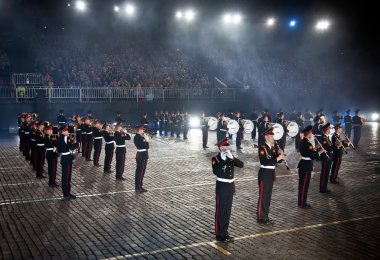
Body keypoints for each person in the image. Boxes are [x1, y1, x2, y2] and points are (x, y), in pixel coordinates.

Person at [212, 138, 244, 242]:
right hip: (221, 187)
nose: (227, 149)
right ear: (221, 148)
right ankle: (218, 233)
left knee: (227, 211)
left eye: (227, 147)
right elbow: (216, 171)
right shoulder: (216, 158)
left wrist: (232, 158)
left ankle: (225, 232)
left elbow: (241, 165)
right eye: (225, 147)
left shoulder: (230, 157)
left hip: (230, 187)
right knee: (220, 211)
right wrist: (223, 159)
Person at [257, 128, 285, 225]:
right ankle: (261, 217)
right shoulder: (262, 148)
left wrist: (281, 155)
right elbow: (264, 161)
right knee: (263, 196)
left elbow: (277, 160)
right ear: (266, 137)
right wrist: (278, 158)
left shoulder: (272, 147)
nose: (273, 138)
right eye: (271, 136)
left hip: (270, 173)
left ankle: (265, 216)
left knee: (268, 196)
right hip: (264, 173)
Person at [297, 125, 323, 208]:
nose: (312, 133)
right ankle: (302, 203)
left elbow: (308, 151)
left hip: (303, 164)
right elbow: (312, 156)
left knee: (302, 184)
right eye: (311, 132)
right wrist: (320, 152)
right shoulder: (307, 143)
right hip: (306, 165)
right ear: (308, 133)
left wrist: (315, 148)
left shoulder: (302, 141)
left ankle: (301, 201)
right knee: (304, 185)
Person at [57, 125, 78, 199]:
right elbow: (71, 147)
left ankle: (66, 193)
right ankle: (66, 194)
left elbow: (59, 150)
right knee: (67, 177)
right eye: (66, 130)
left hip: (63, 157)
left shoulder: (59, 138)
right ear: (63, 131)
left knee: (65, 176)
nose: (67, 132)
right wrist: (77, 144)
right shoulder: (66, 137)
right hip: (67, 158)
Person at [134, 125, 149, 192]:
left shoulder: (139, 137)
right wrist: (146, 140)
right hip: (141, 156)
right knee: (140, 171)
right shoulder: (138, 137)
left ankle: (139, 186)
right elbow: (146, 146)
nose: (143, 131)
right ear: (139, 130)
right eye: (142, 129)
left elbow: (146, 146)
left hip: (141, 155)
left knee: (139, 171)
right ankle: (138, 187)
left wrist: (145, 140)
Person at [319, 123, 334, 193]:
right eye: (329, 128)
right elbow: (327, 148)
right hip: (325, 158)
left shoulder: (327, 137)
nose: (330, 129)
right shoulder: (323, 138)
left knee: (326, 173)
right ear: (326, 130)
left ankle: (324, 187)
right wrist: (336, 146)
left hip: (328, 157)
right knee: (324, 173)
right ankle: (322, 188)